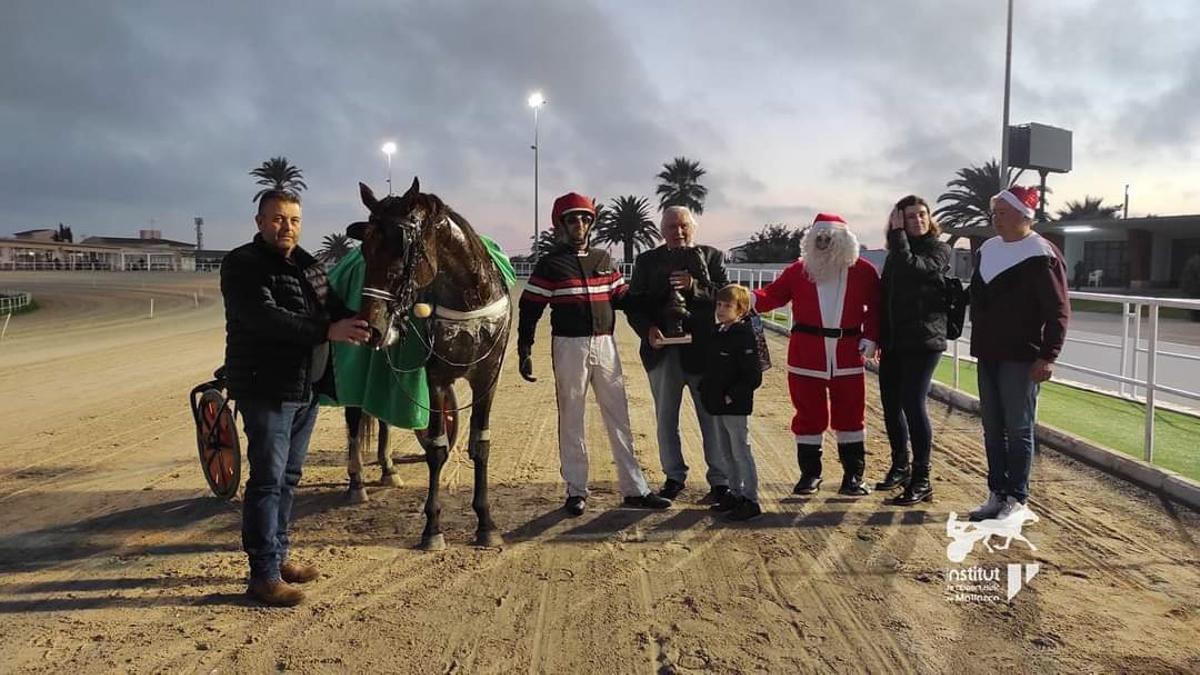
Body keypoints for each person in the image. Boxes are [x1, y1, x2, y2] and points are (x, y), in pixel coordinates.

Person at [221, 190, 370, 606]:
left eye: (294, 220)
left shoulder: (309, 265)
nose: (286, 227)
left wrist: (365, 321)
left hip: (306, 387)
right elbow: (264, 318)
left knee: (288, 478)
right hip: (266, 387)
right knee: (267, 481)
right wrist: (328, 332)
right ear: (259, 222)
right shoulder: (242, 265)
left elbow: (336, 308)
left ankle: (279, 556)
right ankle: (263, 575)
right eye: (277, 219)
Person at [517, 192, 672, 517]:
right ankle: (576, 490)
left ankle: (635, 489)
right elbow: (530, 308)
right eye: (573, 219)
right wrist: (524, 348)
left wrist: (661, 298)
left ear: (591, 223)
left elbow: (625, 299)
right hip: (568, 346)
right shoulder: (550, 264)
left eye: (585, 219)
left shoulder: (604, 260)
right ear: (562, 224)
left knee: (619, 416)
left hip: (605, 345)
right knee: (572, 417)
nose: (580, 224)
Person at [752, 213, 880, 496]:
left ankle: (853, 476)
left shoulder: (864, 271)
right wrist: (744, 299)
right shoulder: (798, 271)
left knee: (850, 414)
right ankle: (810, 474)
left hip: (847, 354)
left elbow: (877, 307)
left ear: (844, 241)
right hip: (806, 354)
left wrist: (871, 336)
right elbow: (771, 296)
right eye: (818, 238)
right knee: (808, 414)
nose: (822, 243)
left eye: (828, 238)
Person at [967, 186, 1069, 522]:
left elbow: (1058, 310)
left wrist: (1048, 355)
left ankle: (1017, 497)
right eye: (994, 212)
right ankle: (996, 492)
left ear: (1024, 216)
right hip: (987, 353)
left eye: (1003, 212)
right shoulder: (987, 249)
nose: (996, 218)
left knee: (1019, 428)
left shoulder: (1042, 253)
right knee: (992, 428)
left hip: (1021, 356)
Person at [627, 206, 731, 503]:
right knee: (665, 417)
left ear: (693, 228)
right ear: (662, 230)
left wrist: (695, 286)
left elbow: (727, 299)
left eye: (683, 225)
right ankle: (674, 476)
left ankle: (720, 479)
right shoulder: (647, 261)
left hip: (703, 351)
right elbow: (635, 304)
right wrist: (647, 331)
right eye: (672, 226)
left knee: (710, 417)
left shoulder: (712, 257)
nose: (678, 231)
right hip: (662, 352)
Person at [876, 195, 952, 506]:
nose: (918, 220)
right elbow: (887, 295)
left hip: (924, 341)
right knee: (891, 404)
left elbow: (914, 270)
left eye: (922, 214)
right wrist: (879, 337)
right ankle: (900, 466)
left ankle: (922, 478)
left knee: (913, 403)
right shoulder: (896, 253)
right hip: (895, 341)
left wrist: (898, 238)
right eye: (910, 216)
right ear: (898, 220)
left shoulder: (939, 249)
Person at [699, 284, 763, 520]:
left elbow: (753, 376)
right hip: (717, 403)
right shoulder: (719, 332)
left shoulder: (744, 335)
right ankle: (734, 493)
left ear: (742, 310)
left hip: (734, 405)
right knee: (725, 451)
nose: (722, 309)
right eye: (719, 304)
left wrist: (731, 395)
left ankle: (750, 498)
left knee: (740, 451)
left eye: (728, 306)